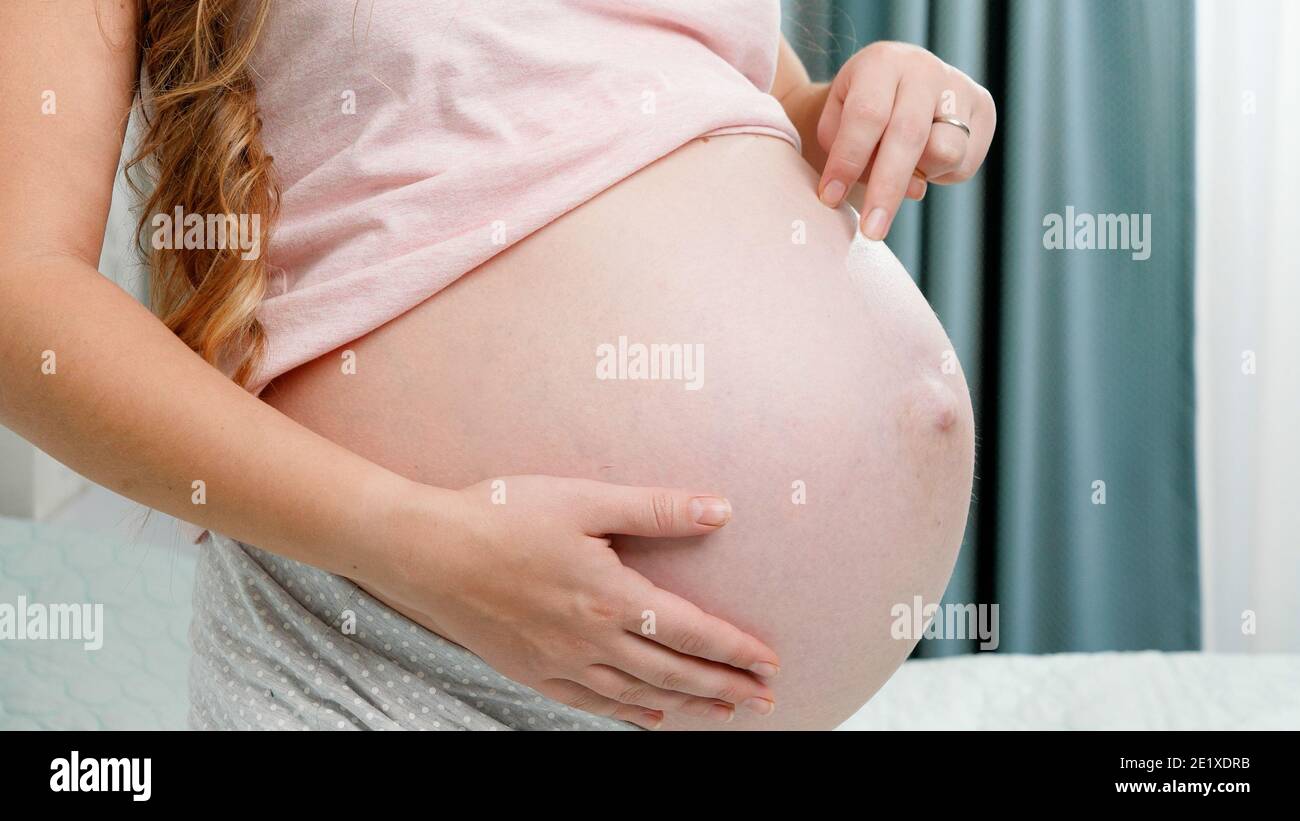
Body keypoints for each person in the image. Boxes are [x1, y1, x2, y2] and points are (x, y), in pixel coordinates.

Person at [0, 0, 992, 730]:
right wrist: (417, 544)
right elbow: (20, 293)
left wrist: (882, 98)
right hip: (405, 657)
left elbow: (727, 101)